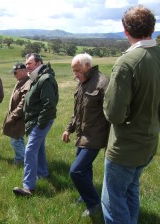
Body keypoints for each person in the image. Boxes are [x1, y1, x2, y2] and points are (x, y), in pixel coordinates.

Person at [101, 5, 160, 224]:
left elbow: (114, 114)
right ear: (152, 28)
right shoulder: (157, 54)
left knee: (113, 202)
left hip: (125, 147)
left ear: (125, 30)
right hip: (149, 141)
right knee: (131, 191)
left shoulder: (127, 62)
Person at [62, 53, 109, 217]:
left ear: (87, 66)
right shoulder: (82, 84)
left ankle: (94, 204)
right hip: (82, 136)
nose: (75, 74)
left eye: (77, 70)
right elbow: (77, 112)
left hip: (95, 137)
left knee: (76, 171)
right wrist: (69, 129)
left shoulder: (103, 83)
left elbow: (111, 113)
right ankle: (85, 196)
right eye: (73, 71)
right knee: (85, 171)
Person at [13, 53, 59, 196]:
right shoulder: (37, 77)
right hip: (35, 119)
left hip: (40, 120)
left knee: (30, 150)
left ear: (39, 63)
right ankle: (43, 173)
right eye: (26, 64)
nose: (27, 66)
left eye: (30, 63)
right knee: (39, 148)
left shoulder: (45, 79)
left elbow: (49, 104)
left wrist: (40, 123)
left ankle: (28, 187)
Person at [2, 62, 31, 165]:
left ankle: (20, 160)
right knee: (18, 139)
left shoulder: (27, 83)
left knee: (16, 140)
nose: (14, 75)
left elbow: (23, 104)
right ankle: (23, 160)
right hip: (17, 116)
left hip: (20, 117)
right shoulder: (21, 81)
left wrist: (13, 116)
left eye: (15, 73)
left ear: (23, 71)